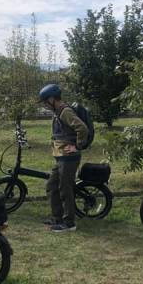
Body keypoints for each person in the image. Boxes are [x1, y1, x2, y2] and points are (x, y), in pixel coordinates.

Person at [39, 83, 89, 232]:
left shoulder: (65, 111)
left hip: (68, 157)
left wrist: (78, 146)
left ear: (52, 99)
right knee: (52, 186)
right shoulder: (58, 110)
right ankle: (57, 217)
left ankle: (69, 223)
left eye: (45, 101)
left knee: (65, 188)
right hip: (60, 157)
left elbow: (82, 128)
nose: (45, 105)